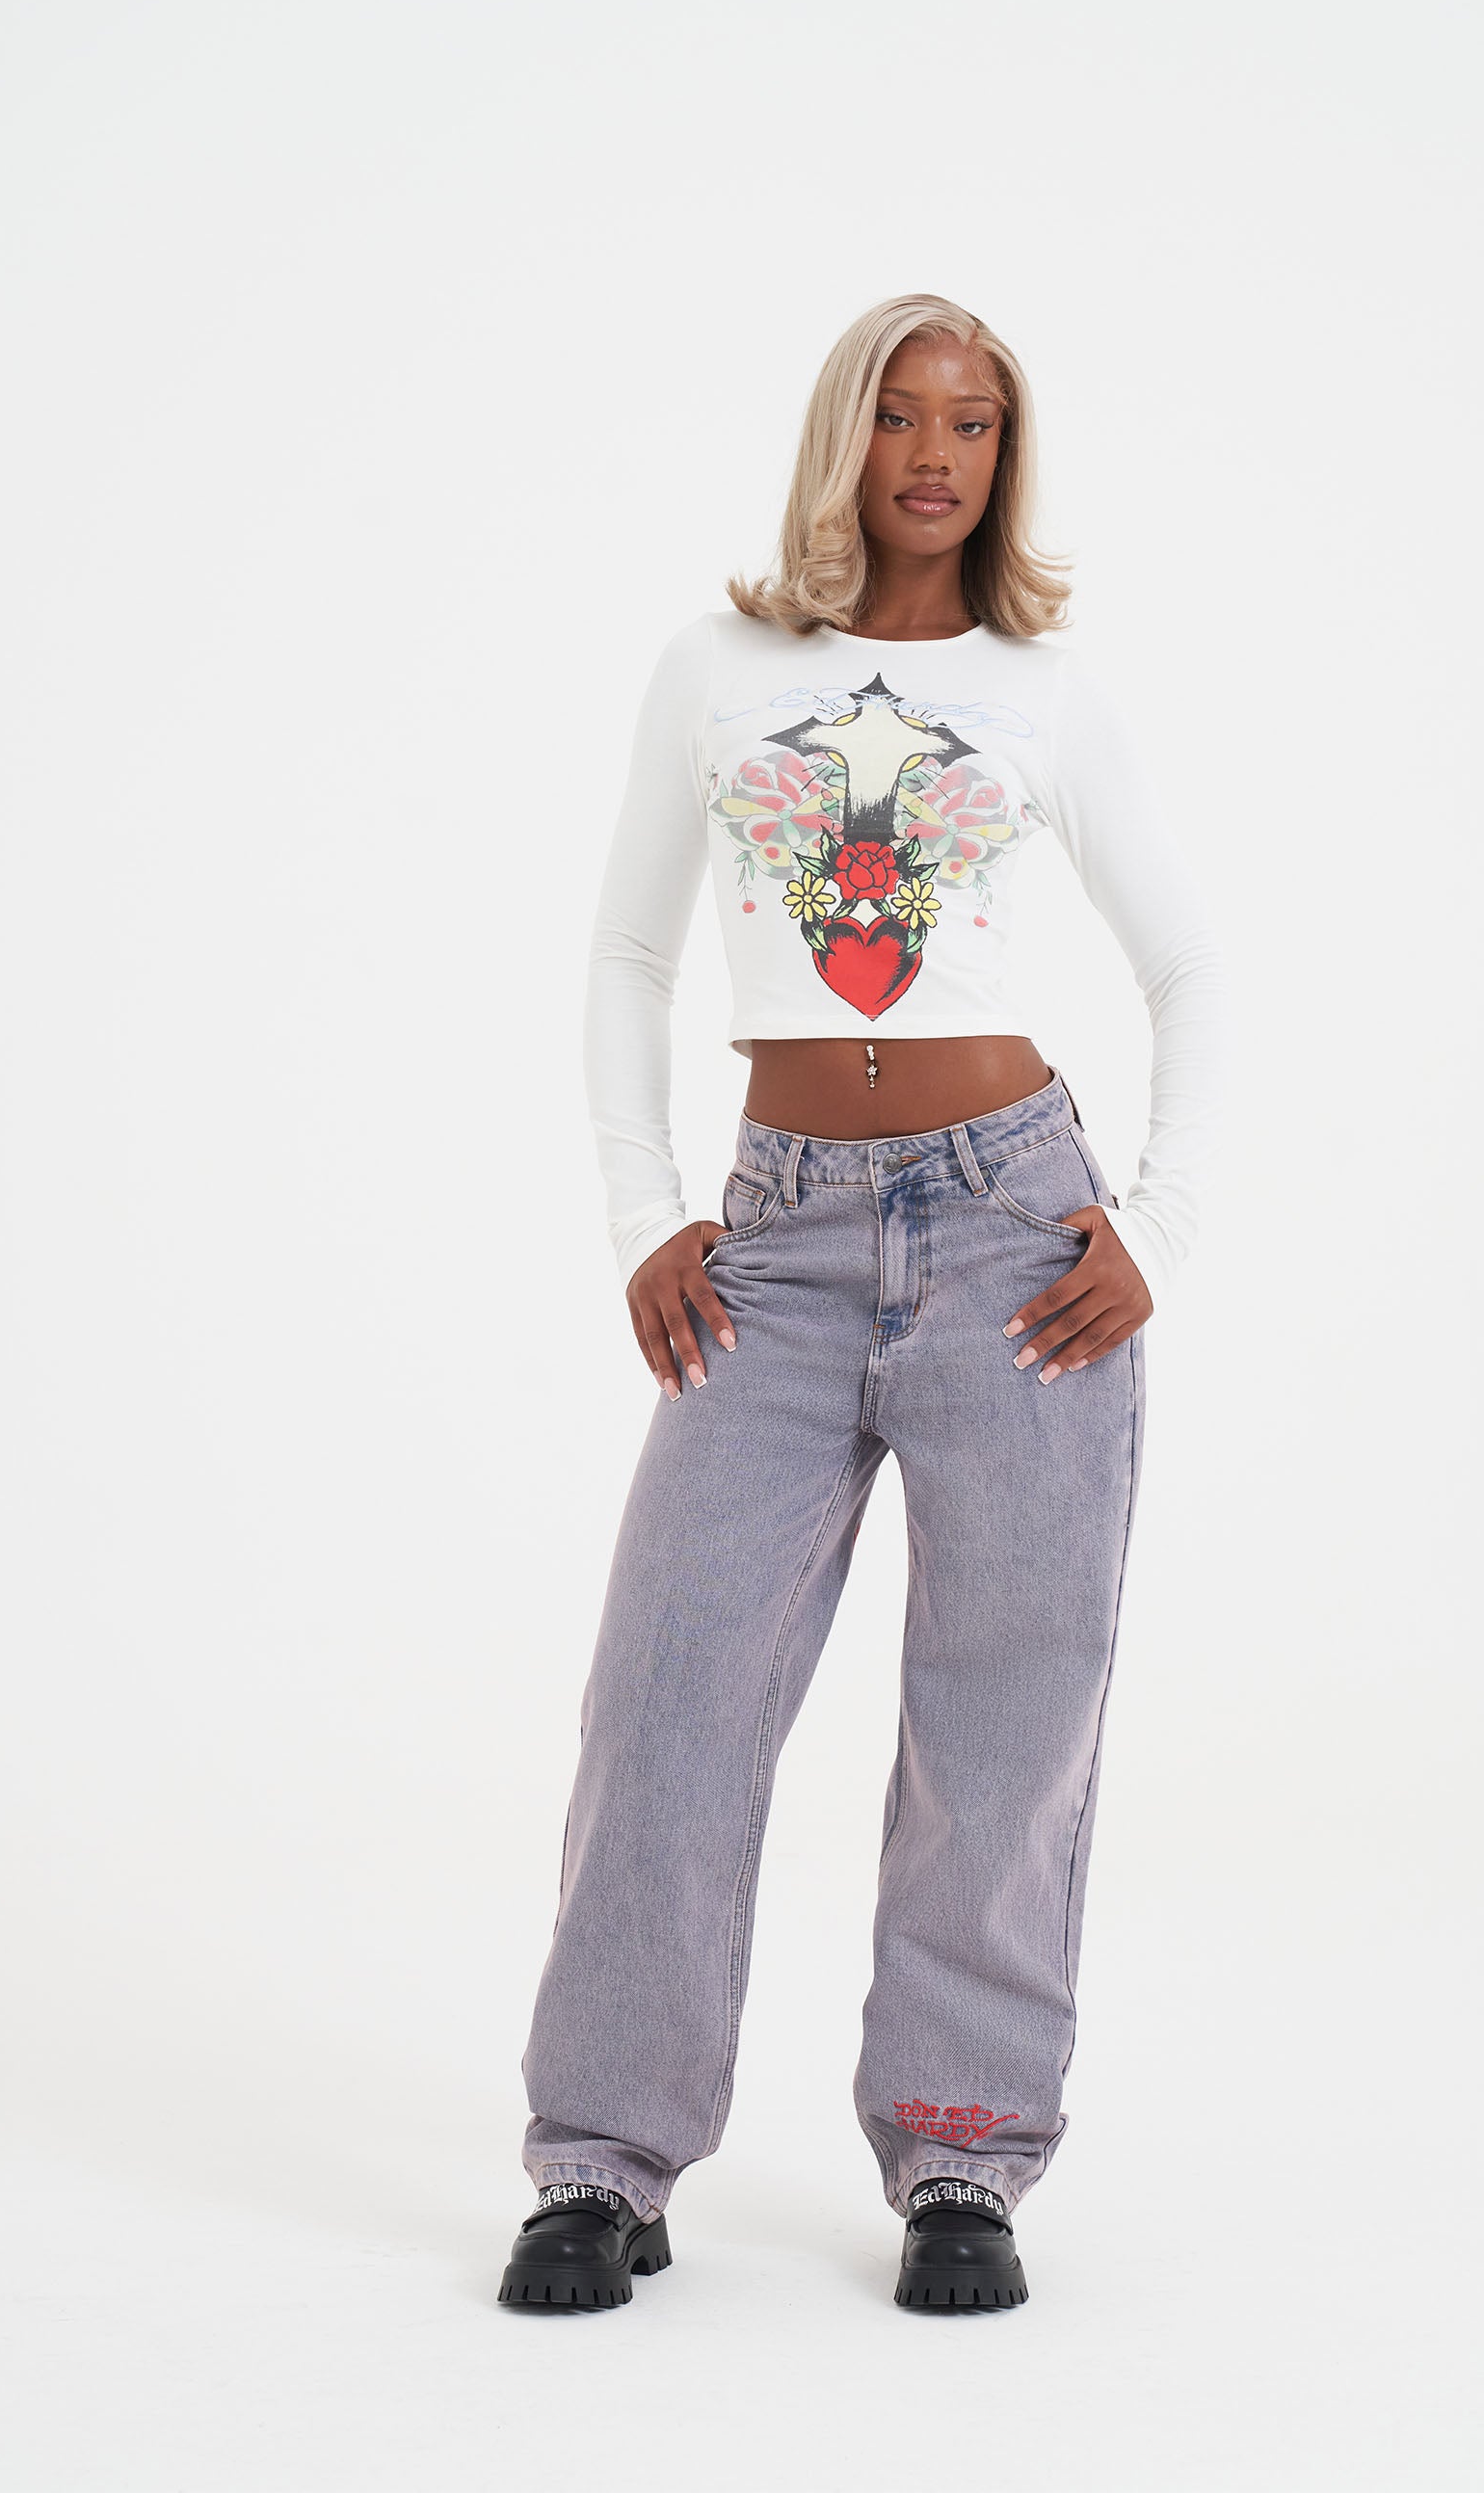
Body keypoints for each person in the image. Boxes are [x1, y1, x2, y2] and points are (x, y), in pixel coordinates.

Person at [498, 292, 1231, 2315]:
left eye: (973, 424)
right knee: (668, 1691)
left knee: (1008, 1705)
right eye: (903, 415)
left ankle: (964, 2150)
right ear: (845, 435)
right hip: (778, 1239)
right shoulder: (717, 667)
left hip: (1018, 1238)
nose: (935, 454)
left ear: (1007, 456)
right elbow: (629, 956)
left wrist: (1158, 1224)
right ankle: (604, 2156)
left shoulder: (1046, 692)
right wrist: (648, 1214)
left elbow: (1194, 965)